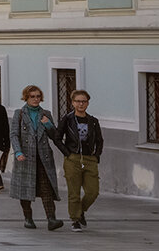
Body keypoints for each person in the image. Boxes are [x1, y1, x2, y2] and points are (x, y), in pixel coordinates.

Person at [9, 84, 64, 231]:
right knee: (25, 189)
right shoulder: (19, 114)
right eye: (32, 96)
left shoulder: (46, 114)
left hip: (43, 157)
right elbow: (14, 135)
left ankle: (51, 219)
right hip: (25, 157)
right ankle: (28, 218)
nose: (36, 99)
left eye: (38, 96)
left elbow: (55, 136)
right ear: (26, 97)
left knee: (46, 188)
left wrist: (49, 125)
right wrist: (18, 152)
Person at [57, 89, 103, 232]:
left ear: (88, 103)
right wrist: (67, 153)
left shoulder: (93, 121)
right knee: (74, 192)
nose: (81, 104)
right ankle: (75, 220)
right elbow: (57, 138)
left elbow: (99, 140)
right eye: (78, 101)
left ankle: (81, 210)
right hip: (73, 158)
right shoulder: (67, 119)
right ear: (72, 103)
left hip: (90, 159)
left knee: (92, 192)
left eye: (83, 101)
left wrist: (96, 156)